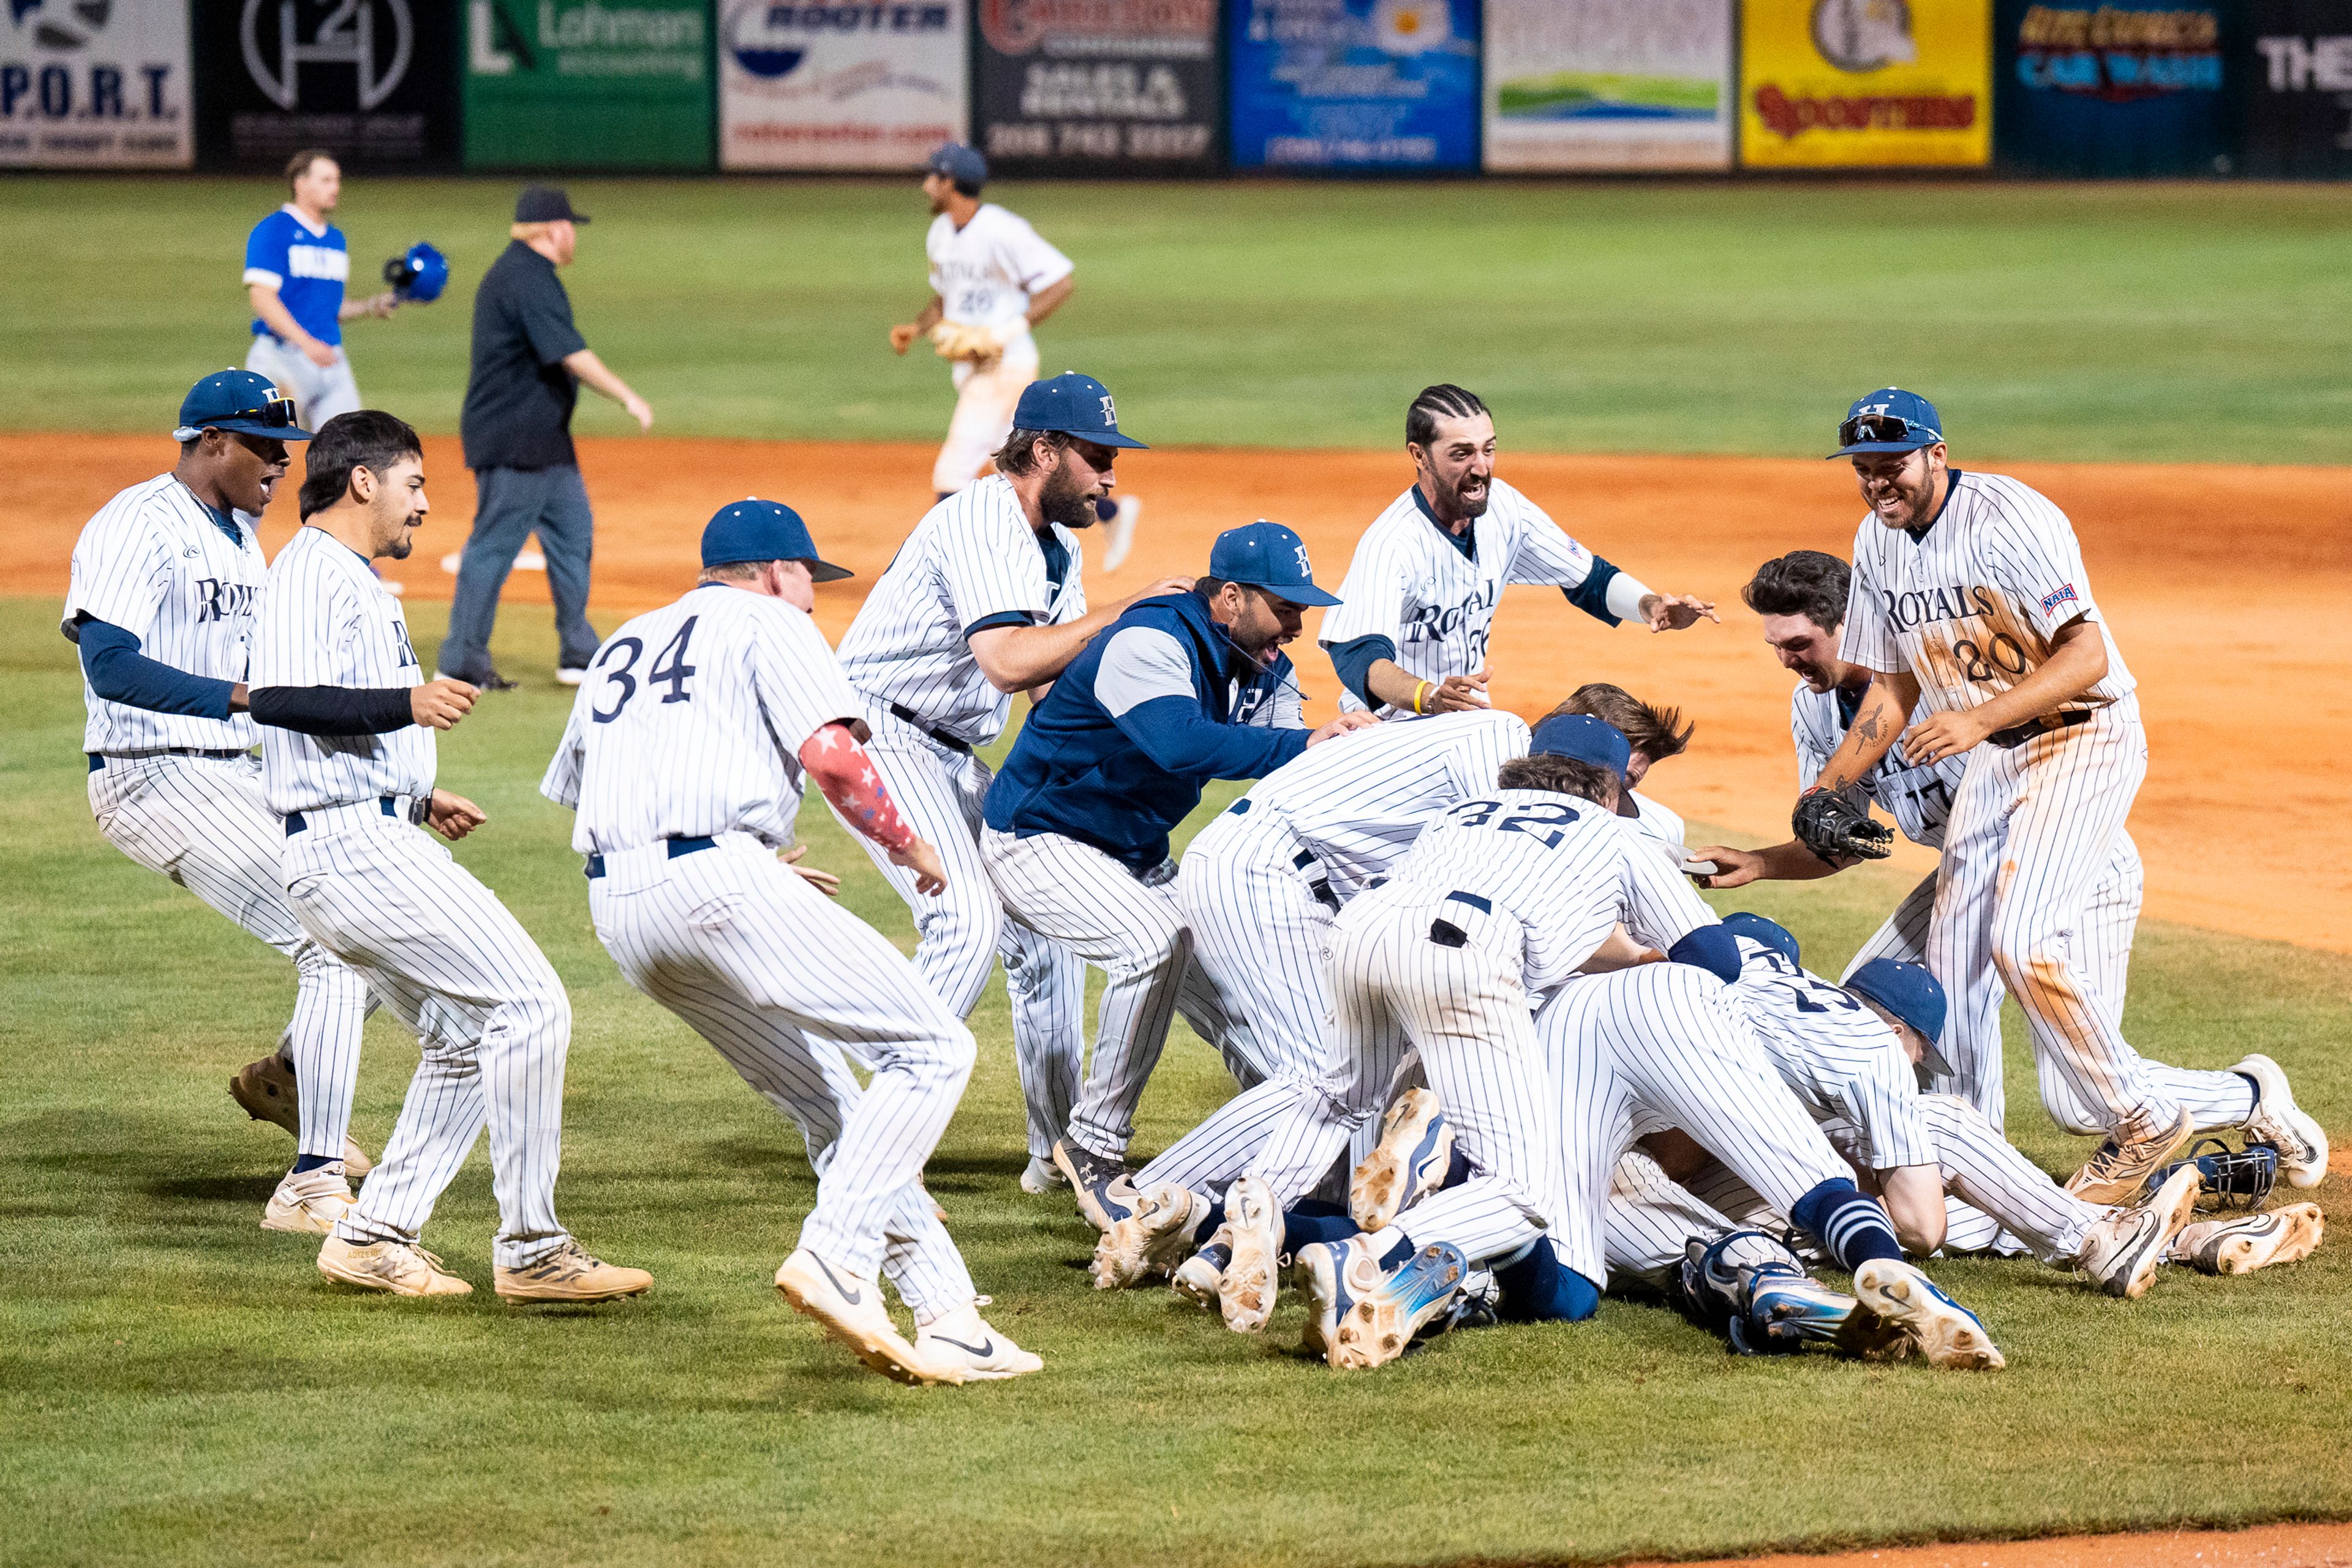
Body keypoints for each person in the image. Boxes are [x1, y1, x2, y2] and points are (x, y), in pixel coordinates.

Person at [541, 498, 1038, 1384]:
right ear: (774, 572)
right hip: (717, 887)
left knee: (835, 1108)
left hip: (623, 908)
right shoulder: (770, 621)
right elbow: (838, 759)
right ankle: (837, 1255)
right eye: (808, 577)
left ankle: (950, 1315)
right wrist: (910, 846)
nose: (813, 597)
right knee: (933, 1048)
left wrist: (737, 859)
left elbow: (584, 782)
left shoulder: (627, 638)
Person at [1792, 390, 2327, 1202]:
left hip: (2083, 737)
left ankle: (2145, 1119)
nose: (1877, 484)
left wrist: (1976, 719)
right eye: (1864, 471)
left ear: (1937, 453)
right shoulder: (1878, 540)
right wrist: (1827, 789)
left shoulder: (2009, 518)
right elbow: (1894, 685)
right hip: (1997, 760)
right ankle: (1976, 1165)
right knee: (1951, 969)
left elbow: (2087, 658)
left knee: (2023, 942)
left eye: (1892, 466)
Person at [1695, 552, 2304, 1170]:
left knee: (2080, 1104)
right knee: (1871, 1012)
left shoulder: (1945, 676)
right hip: (1966, 873)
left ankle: (2250, 1095)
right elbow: (1838, 843)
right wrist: (1761, 862)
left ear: (1853, 628)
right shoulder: (1815, 707)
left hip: (2074, 865)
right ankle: (1974, 1163)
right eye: (1775, 645)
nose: (1787, 661)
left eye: (1798, 643)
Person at [248, 409, 647, 1303]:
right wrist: (407, 706)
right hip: (352, 846)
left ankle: (376, 1235)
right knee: (533, 1006)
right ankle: (534, 1248)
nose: (425, 506)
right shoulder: (317, 572)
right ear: (364, 481)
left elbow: (325, 712)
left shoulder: (339, 576)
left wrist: (418, 794)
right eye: (415, 484)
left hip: (362, 836)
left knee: (466, 1040)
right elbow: (277, 700)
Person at [832, 372, 1191, 1194]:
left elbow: (1047, 687)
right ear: (1039, 452)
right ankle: (871, 1141)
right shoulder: (985, 517)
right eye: (1096, 457)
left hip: (946, 749)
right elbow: (1006, 661)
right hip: (876, 735)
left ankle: (1058, 1156)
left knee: (1045, 932)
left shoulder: (1055, 546)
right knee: (964, 919)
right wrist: (1129, 608)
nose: (1110, 476)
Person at [981, 521, 1376, 1214]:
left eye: (1303, 608)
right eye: (1285, 607)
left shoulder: (1263, 667)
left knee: (1239, 992)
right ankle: (1094, 1148)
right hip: (1040, 838)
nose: (1297, 624)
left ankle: (1303, 1152)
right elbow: (1179, 744)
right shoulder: (1152, 638)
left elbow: (1291, 777)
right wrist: (1309, 742)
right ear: (1229, 596)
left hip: (1133, 853)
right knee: (1152, 945)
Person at [61, 369, 373, 1232]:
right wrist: (237, 700)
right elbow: (111, 666)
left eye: (286, 449)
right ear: (211, 443)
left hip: (232, 770)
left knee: (378, 919)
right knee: (338, 937)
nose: (281, 463)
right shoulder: (136, 523)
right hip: (153, 770)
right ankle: (313, 1182)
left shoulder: (240, 537)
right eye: (265, 447)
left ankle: (289, 1079)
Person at [1319, 383, 1716, 718]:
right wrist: (1429, 696)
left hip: (1466, 718)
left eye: (1488, 450)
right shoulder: (1393, 544)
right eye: (1462, 454)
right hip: (1387, 728)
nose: (1481, 468)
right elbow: (1358, 657)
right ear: (1419, 455)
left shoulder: (1505, 508)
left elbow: (1587, 578)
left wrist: (1651, 607)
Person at [886, 144, 1143, 564]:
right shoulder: (940, 233)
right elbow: (945, 297)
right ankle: (1111, 511)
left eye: (932, 178)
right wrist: (917, 328)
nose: (925, 186)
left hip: (1005, 367)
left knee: (952, 474)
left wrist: (1006, 330)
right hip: (973, 369)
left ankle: (935, 572)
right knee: (1022, 467)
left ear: (949, 182)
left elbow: (1060, 282)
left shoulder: (1002, 230)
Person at [440, 185, 652, 692]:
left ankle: (579, 652)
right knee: (494, 546)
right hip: (515, 437)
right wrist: (627, 396)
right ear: (553, 229)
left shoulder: (531, 275)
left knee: (573, 535)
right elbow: (569, 354)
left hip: (543, 437)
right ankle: (461, 658)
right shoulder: (524, 279)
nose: (574, 235)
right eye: (571, 226)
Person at [241, 150, 398, 429]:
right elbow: (262, 297)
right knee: (269, 455)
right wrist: (306, 343)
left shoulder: (335, 239)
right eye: (326, 180)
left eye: (337, 180)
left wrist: (371, 305)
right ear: (301, 183)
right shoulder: (274, 230)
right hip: (280, 359)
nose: (335, 188)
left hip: (330, 359)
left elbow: (331, 307)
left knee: (347, 450)